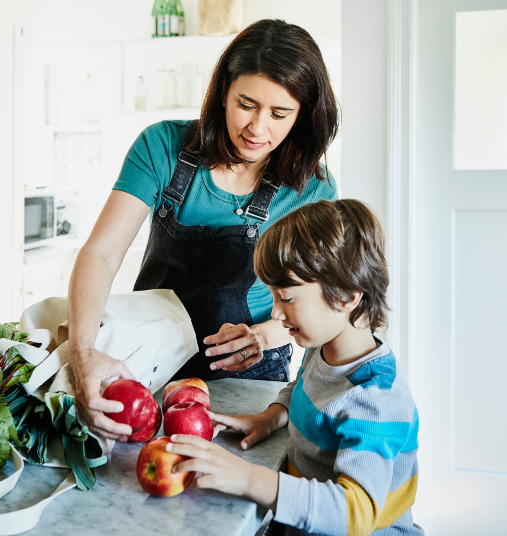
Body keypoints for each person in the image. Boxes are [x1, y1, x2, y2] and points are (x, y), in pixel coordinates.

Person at [67, 19, 339, 441]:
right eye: (246, 104)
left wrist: (262, 337)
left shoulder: (312, 187)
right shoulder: (161, 148)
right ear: (222, 93)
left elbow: (315, 303)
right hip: (150, 361)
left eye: (280, 113)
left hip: (250, 376)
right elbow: (101, 253)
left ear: (303, 116)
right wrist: (83, 353)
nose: (257, 128)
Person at [167, 199, 423, 536]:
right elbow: (304, 388)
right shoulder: (322, 348)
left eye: (285, 297)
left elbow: (354, 513)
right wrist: (271, 416)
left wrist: (248, 478)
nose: (275, 313)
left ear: (346, 296)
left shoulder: (375, 398)